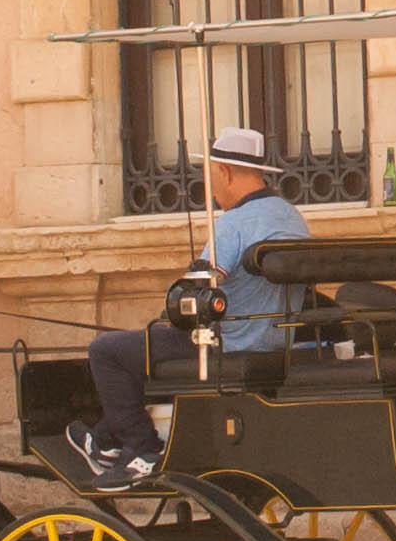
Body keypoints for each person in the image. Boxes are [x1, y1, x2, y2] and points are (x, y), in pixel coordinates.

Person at [69, 126, 309, 489]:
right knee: (149, 348)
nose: (209, 186)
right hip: (277, 344)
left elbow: (195, 295)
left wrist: (173, 311)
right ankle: (104, 439)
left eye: (210, 174)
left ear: (225, 172)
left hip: (229, 345)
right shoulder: (291, 217)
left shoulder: (232, 225)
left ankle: (141, 450)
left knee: (108, 350)